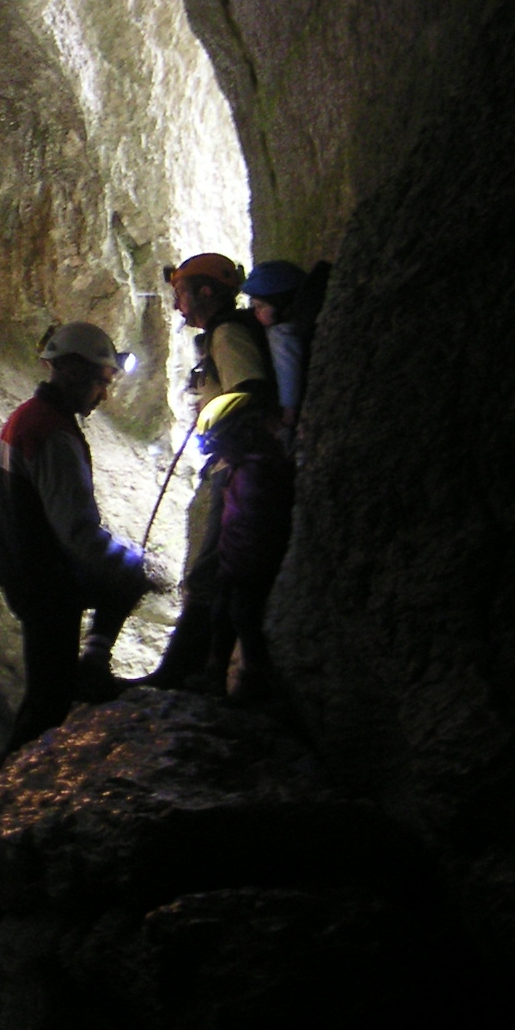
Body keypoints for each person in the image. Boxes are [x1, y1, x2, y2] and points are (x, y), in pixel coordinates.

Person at [0, 322, 166, 756]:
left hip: (19, 560)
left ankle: (92, 666)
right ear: (75, 372)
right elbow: (77, 532)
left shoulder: (29, 415)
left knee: (50, 692)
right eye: (102, 381)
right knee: (48, 701)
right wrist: (134, 568)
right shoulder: (54, 434)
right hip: (39, 575)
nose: (104, 394)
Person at [149, 391, 295, 702]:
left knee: (243, 618)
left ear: (246, 433)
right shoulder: (244, 468)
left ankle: (253, 680)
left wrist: (240, 566)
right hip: (234, 566)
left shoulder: (261, 471)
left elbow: (256, 526)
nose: (221, 456)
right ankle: (215, 676)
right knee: (222, 616)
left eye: (223, 446)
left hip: (249, 570)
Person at [166, 252, 274, 415]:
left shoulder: (226, 335)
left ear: (205, 292)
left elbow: (249, 399)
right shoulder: (218, 336)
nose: (176, 305)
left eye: (181, 293)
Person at [241, 259, 321, 438]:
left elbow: (288, 371)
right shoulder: (307, 315)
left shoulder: (281, 332)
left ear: (282, 303)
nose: (256, 313)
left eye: (260, 306)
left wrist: (288, 416)